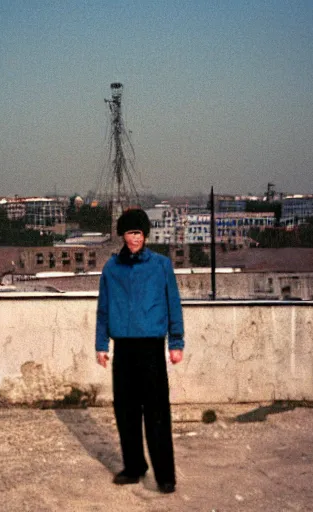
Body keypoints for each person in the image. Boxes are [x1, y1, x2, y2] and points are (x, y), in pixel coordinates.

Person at [95, 208, 184, 494]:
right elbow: (103, 310)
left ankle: (165, 475)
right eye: (129, 233)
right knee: (126, 411)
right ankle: (134, 467)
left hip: (151, 348)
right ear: (122, 235)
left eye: (138, 233)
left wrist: (176, 343)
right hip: (124, 348)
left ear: (145, 235)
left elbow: (173, 305)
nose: (134, 239)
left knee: (157, 412)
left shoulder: (161, 266)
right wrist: (101, 345)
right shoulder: (111, 269)